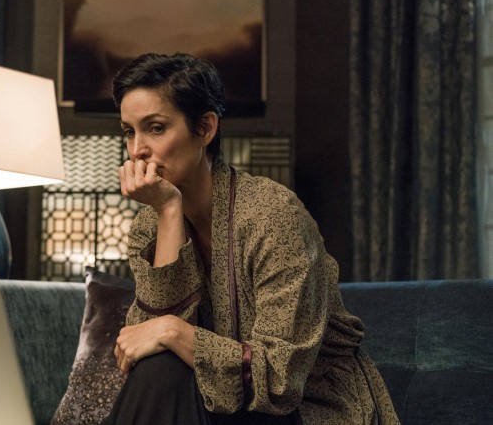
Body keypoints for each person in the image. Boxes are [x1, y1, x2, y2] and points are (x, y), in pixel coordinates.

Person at [101, 52, 399, 425]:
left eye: (156, 128)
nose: (137, 150)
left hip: (305, 409)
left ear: (205, 128)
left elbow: (281, 380)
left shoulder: (273, 215)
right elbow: (143, 352)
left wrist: (172, 331)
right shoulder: (151, 224)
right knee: (159, 368)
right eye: (130, 131)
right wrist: (169, 212)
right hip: (206, 405)